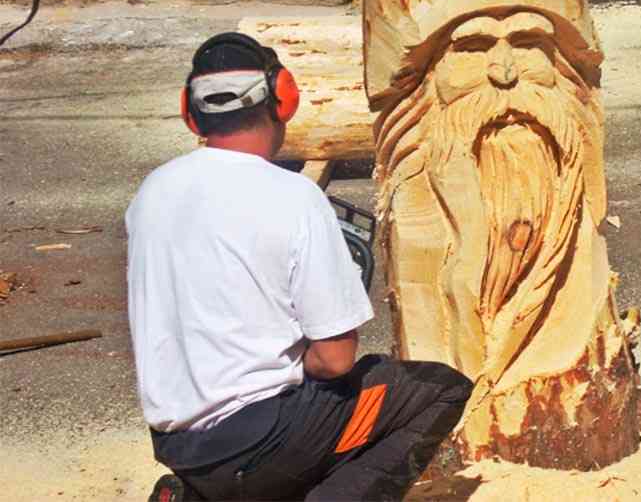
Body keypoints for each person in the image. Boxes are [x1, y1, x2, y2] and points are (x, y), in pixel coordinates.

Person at [127, 32, 473, 502]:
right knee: (436, 390)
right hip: (261, 438)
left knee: (302, 416)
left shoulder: (152, 191)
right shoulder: (294, 197)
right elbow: (334, 359)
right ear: (282, 97)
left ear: (192, 110)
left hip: (179, 442)